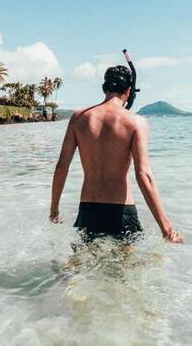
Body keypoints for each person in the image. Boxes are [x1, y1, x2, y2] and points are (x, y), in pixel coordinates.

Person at [50, 64, 183, 243]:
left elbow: (61, 167)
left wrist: (54, 210)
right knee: (126, 270)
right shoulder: (136, 122)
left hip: (89, 210)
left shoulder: (78, 118)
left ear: (104, 88)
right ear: (128, 91)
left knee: (83, 268)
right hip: (122, 212)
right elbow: (144, 176)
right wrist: (166, 228)